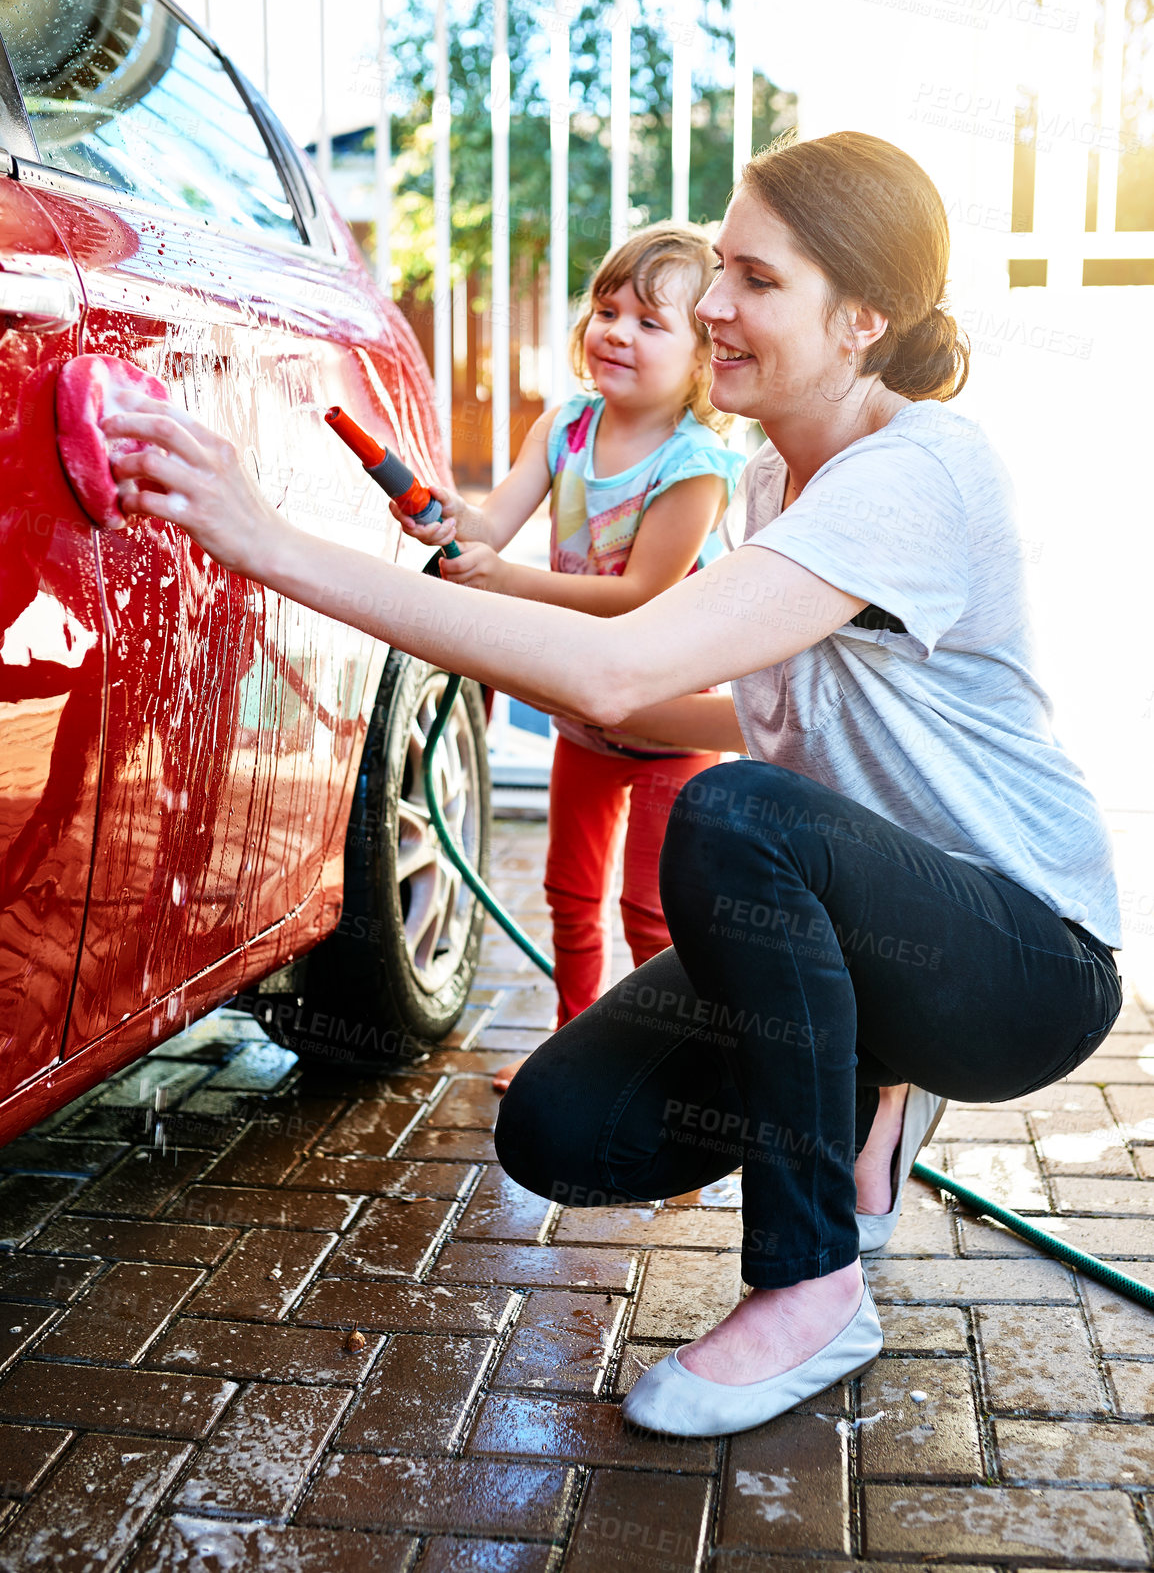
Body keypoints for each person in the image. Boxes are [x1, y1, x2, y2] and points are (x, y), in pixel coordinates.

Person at [106, 130, 1122, 1440]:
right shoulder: (772, 472)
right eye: (719, 269)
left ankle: (812, 1277)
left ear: (860, 318)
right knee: (560, 1128)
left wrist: (265, 543)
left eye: (751, 279)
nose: (709, 306)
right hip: (889, 923)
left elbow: (617, 672)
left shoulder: (915, 471)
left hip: (1026, 956)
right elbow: (708, 701)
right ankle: (867, 1070)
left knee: (728, 813)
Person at [390, 224, 743, 1092]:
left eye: (650, 323)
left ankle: (663, 1071)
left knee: (653, 915)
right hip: (583, 717)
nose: (616, 331)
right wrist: (444, 519)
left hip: (670, 721)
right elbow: (490, 524)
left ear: (703, 355)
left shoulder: (697, 466)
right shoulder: (566, 427)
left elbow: (640, 598)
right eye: (607, 309)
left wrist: (506, 581)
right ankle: (572, 1049)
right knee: (571, 893)